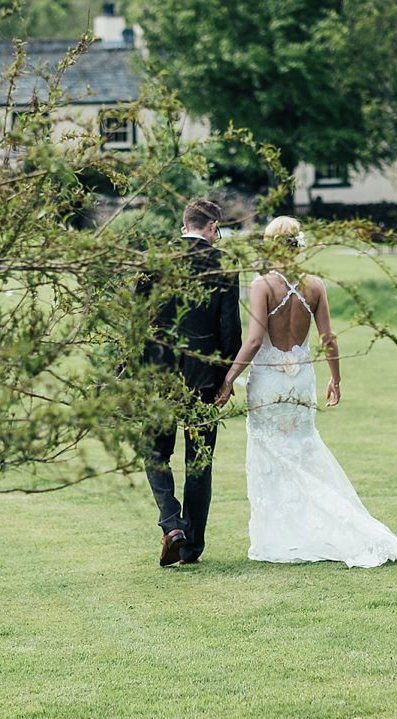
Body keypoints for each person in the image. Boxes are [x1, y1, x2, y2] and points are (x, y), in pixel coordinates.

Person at [214, 216, 397, 568]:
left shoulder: (263, 286)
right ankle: (306, 530)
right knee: (300, 451)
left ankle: (285, 536)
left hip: (268, 382)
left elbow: (254, 340)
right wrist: (336, 378)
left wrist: (228, 379)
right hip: (301, 380)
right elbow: (328, 338)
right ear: (299, 245)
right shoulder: (314, 285)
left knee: (272, 457)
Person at [139, 198, 242, 567]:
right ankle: (190, 546)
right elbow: (231, 330)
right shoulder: (224, 263)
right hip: (204, 380)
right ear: (212, 227)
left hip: (160, 377)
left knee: (155, 452)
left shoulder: (154, 260)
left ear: (184, 226)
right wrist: (226, 379)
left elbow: (138, 322)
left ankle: (171, 524)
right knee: (199, 461)